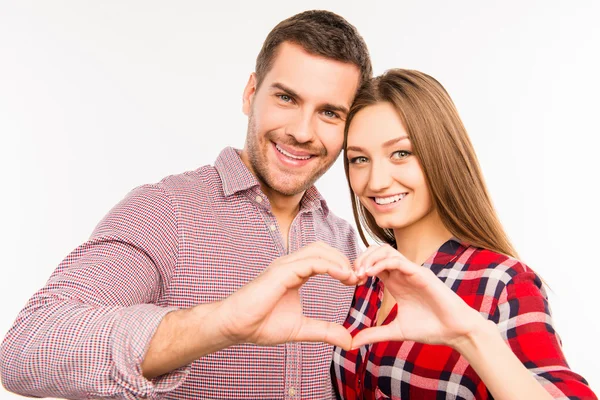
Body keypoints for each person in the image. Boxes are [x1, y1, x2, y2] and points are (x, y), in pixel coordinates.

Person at [0, 10, 372, 399]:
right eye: (286, 98)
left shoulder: (345, 247)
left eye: (329, 113)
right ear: (250, 94)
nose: (301, 131)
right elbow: (29, 346)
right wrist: (217, 324)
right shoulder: (164, 211)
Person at [331, 69, 597, 399]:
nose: (376, 181)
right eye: (359, 159)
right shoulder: (364, 282)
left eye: (401, 153)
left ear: (441, 154)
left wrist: (470, 335)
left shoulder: (503, 284)